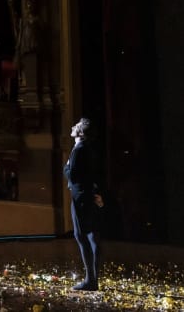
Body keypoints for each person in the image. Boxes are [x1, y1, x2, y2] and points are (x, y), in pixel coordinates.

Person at [64, 117, 104, 291]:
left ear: (80, 132)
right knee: (92, 235)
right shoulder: (87, 149)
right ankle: (93, 278)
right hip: (88, 194)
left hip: (80, 197)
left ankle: (90, 280)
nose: (73, 126)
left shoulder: (78, 149)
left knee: (81, 236)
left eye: (76, 126)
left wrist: (65, 166)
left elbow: (71, 175)